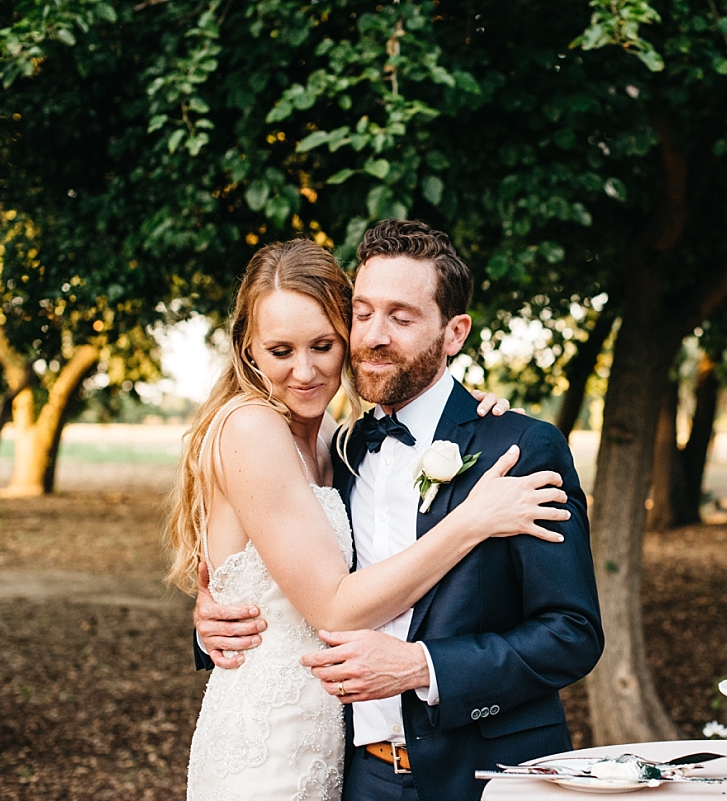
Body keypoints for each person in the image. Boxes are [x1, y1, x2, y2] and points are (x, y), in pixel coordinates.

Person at [196, 220, 604, 801]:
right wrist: (216, 616)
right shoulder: (348, 447)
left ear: (453, 332)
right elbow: (290, 575)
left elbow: (573, 632)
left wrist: (425, 667)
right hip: (354, 774)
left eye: (402, 317)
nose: (374, 336)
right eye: (362, 314)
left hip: (485, 774)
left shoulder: (517, 447)